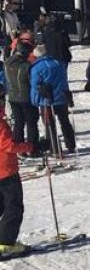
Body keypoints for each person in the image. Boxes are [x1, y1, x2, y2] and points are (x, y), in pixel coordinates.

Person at [0, 102, 33, 259]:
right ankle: (5, 243)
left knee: (2, 205)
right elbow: (8, 145)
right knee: (14, 207)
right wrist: (30, 147)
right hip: (5, 171)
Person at [30, 45, 75, 156]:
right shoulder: (59, 63)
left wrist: (35, 100)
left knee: (50, 125)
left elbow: (35, 85)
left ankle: (54, 148)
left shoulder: (37, 67)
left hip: (47, 99)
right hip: (62, 96)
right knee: (65, 121)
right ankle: (71, 145)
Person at [4, 42, 37, 152]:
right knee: (31, 122)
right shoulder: (25, 66)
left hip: (13, 97)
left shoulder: (7, 63)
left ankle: (19, 147)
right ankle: (32, 147)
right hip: (25, 97)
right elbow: (30, 81)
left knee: (18, 123)